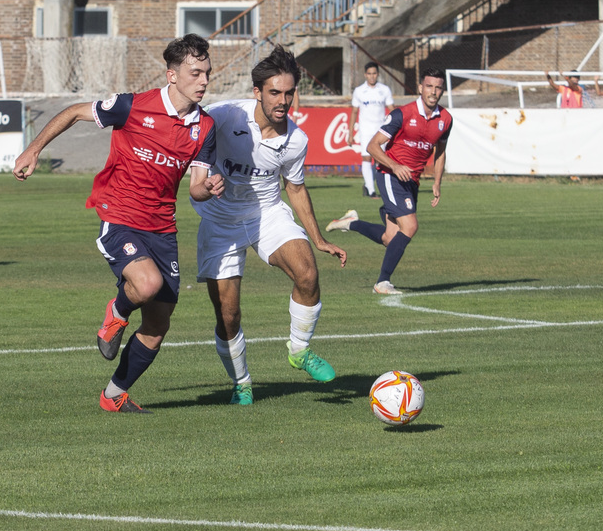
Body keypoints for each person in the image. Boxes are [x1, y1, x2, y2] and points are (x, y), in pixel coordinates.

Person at [12, 34, 224, 414]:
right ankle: (117, 313)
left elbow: (195, 190)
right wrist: (33, 149)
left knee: (159, 325)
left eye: (207, 72)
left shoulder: (205, 128)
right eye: (195, 73)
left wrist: (208, 188)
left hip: (163, 229)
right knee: (147, 284)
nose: (204, 80)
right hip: (120, 217)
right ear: (171, 75)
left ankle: (113, 395)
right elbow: (76, 111)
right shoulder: (132, 106)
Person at [193, 46, 347, 405]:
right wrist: (198, 185)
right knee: (228, 314)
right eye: (275, 92)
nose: (283, 100)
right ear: (257, 92)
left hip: (267, 212)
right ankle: (242, 382)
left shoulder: (296, 140)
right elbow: (186, 146)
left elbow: (294, 187)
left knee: (307, 274)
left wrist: (318, 238)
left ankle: (299, 350)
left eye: (289, 92)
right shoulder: (222, 116)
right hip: (219, 219)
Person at [326, 67, 452, 295]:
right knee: (410, 226)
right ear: (421, 88)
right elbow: (372, 146)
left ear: (443, 90)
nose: (434, 91)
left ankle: (349, 222)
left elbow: (440, 151)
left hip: (412, 181)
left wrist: (437, 182)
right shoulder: (402, 114)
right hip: (388, 174)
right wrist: (394, 165)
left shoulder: (445, 119)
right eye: (430, 86)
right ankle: (382, 282)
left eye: (438, 87)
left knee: (390, 238)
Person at [349, 62, 394, 198]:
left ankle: (376, 186)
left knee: (380, 159)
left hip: (381, 129)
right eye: (369, 74)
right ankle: (370, 189)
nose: (372, 76)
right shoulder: (359, 91)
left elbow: (392, 109)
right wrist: (350, 133)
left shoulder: (384, 90)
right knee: (366, 157)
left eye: (374, 73)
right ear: (365, 75)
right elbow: (354, 112)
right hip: (365, 129)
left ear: (378, 74)